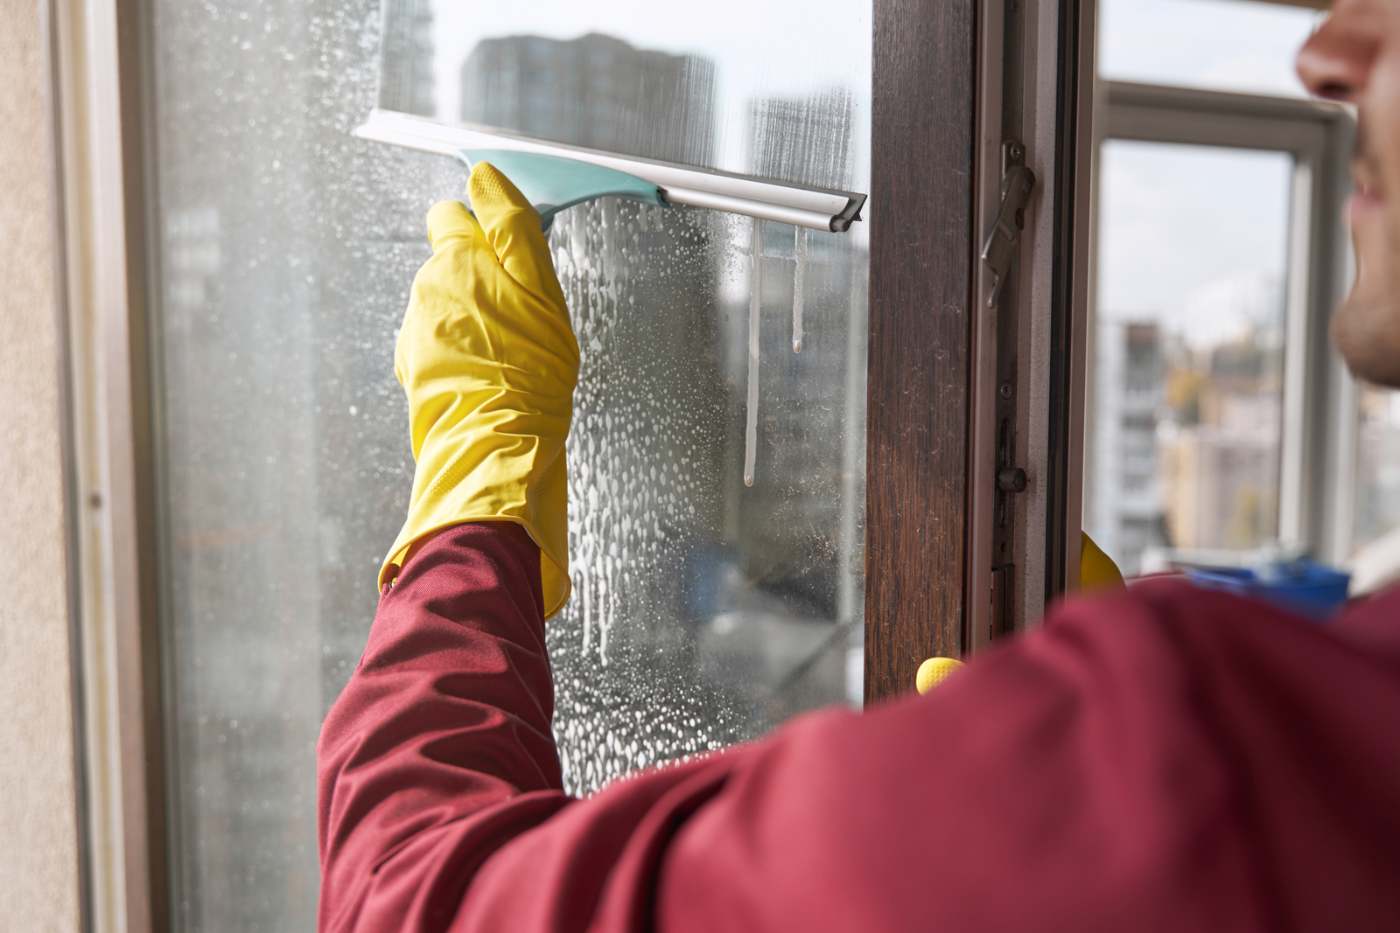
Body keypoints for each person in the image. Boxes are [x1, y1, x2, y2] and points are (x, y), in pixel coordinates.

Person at [317, 4, 1400, 929]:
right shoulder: (1321, 731)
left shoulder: (1214, 761)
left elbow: (414, 899)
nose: (1324, 54)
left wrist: (473, 488)